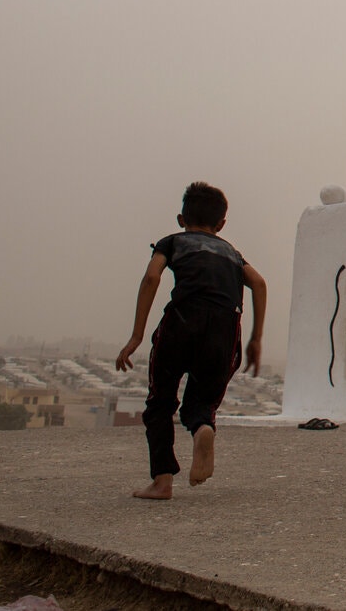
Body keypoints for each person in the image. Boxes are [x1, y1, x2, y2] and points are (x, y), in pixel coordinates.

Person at [116, 181, 267, 500]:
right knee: (200, 403)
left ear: (181, 219)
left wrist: (136, 336)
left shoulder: (172, 242)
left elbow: (152, 277)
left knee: (160, 402)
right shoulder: (232, 253)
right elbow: (259, 282)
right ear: (222, 223)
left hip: (182, 322)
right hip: (226, 327)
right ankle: (202, 429)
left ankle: (162, 481)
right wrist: (256, 339)